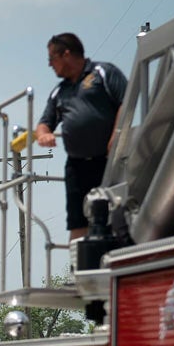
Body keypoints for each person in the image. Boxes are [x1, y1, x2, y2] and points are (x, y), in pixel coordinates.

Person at [34, 32, 128, 240]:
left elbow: (127, 100)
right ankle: (78, 260)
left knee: (116, 217)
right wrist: (43, 135)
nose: (49, 65)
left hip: (109, 162)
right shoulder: (59, 92)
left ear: (66, 54)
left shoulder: (103, 72)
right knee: (77, 221)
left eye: (52, 58)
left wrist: (117, 135)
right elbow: (44, 124)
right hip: (77, 167)